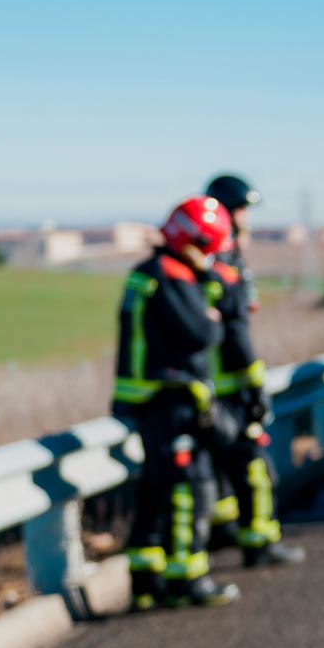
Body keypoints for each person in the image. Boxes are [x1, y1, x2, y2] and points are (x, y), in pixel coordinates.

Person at [114, 197, 243, 610]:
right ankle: (187, 578)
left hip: (146, 398)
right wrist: (214, 305)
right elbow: (202, 334)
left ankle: (146, 578)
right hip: (169, 400)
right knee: (189, 489)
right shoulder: (171, 276)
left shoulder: (147, 273)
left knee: (154, 489)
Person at [202, 174, 305, 568]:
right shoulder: (223, 263)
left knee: (226, 472)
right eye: (242, 210)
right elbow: (236, 329)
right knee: (252, 466)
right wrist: (253, 382)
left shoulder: (213, 257)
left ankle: (230, 532)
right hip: (228, 386)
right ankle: (258, 542)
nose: (247, 219)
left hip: (212, 386)